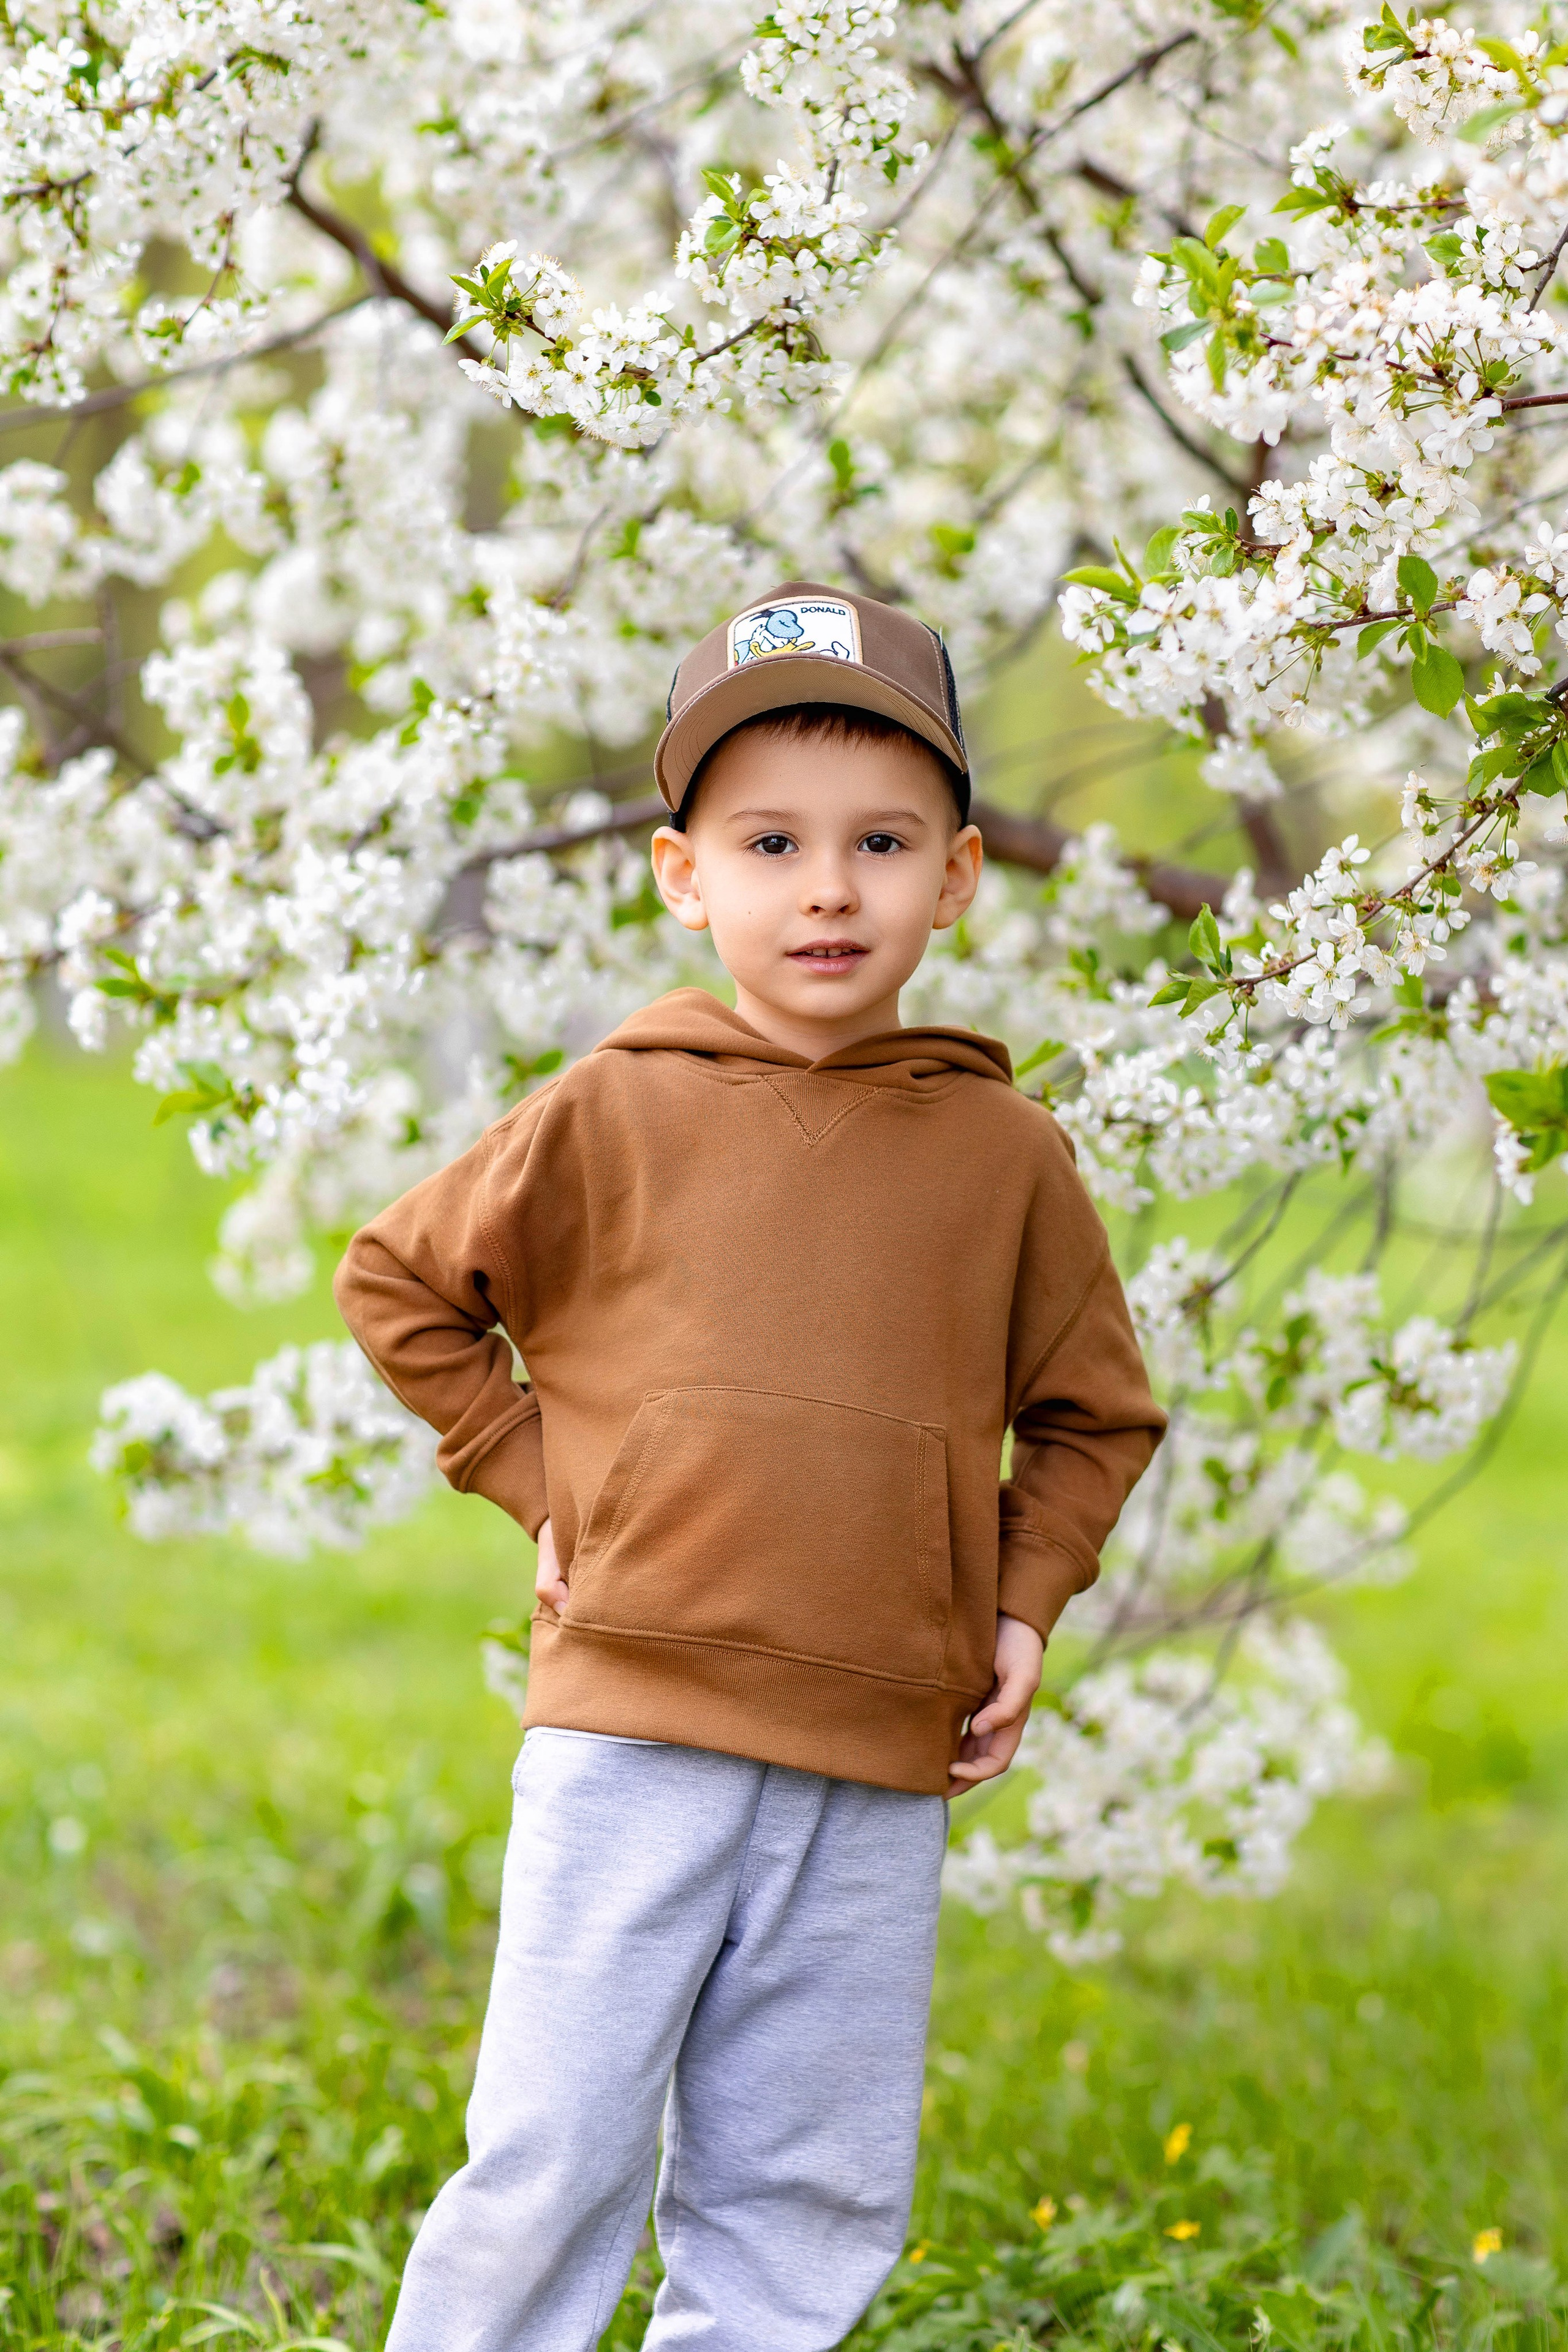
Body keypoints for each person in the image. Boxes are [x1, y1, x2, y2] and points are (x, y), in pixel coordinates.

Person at [333, 578, 1166, 2352]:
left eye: (882, 842)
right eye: (772, 839)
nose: (829, 887)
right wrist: (545, 1481)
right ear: (682, 873)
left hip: (878, 1755)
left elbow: (1097, 1413)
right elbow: (401, 1282)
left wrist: (1021, 1606)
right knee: (550, 2151)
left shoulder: (1006, 1156)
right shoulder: (610, 1110)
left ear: (956, 877)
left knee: (805, 2190)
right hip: (633, 1726)